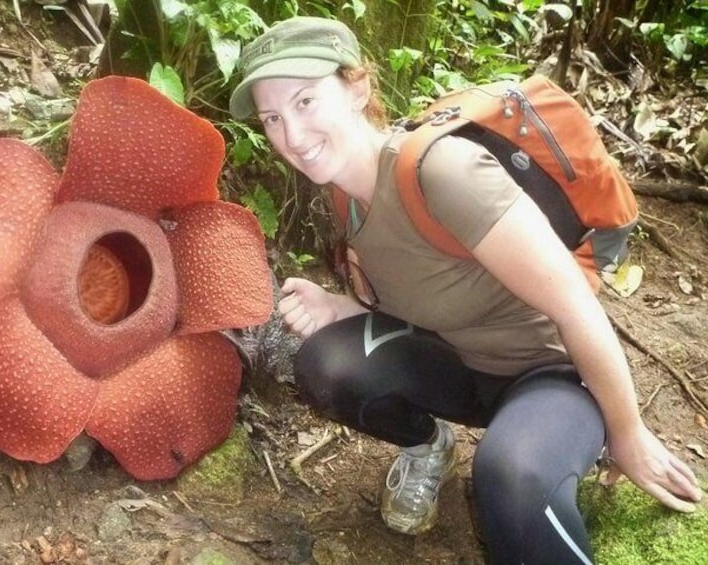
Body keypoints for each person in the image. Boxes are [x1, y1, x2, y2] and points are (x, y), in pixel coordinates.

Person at [228, 15, 703, 564]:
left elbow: (575, 304)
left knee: (513, 477)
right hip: (463, 369)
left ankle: (552, 447)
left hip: (550, 377)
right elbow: (412, 285)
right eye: (272, 117)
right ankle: (427, 448)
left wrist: (629, 434)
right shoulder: (345, 196)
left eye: (305, 102)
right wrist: (338, 305)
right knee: (324, 363)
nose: (291, 135)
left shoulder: (445, 171)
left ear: (357, 88)